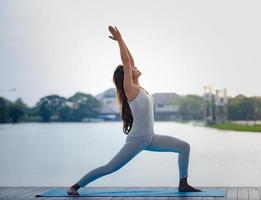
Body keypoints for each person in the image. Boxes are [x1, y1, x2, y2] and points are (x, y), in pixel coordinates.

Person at [67, 26, 201, 196]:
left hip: (150, 138)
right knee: (109, 168)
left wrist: (122, 41)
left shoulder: (140, 88)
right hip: (137, 140)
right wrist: (120, 40)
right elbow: (127, 61)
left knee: (184, 147)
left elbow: (129, 60)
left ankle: (183, 183)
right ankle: (75, 186)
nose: (135, 67)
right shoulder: (130, 90)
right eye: (131, 69)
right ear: (128, 75)